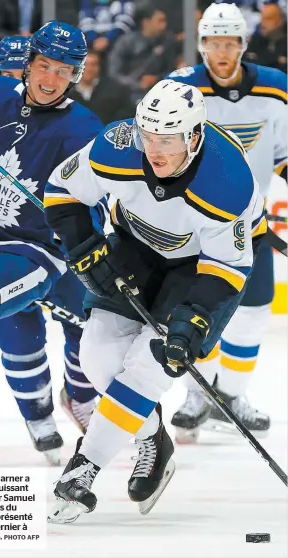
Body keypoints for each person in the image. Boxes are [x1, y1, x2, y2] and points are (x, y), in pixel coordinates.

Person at [44, 79, 266, 522]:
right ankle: (153, 438)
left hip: (200, 268)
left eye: (168, 140)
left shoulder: (228, 182)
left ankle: (83, 470)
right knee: (99, 357)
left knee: (150, 363)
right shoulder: (117, 146)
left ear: (195, 136)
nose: (154, 151)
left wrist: (194, 317)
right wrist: (83, 243)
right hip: (134, 246)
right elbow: (61, 189)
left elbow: (226, 268)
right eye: (148, 137)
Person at [0, 20, 104, 486]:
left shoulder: (82, 130)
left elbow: (98, 202)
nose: (50, 79)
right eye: (44, 66)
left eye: (64, 70)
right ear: (28, 66)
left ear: (76, 75)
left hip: (36, 253)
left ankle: (75, 404)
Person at [166, 2, 287, 442]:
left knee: (254, 313)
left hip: (250, 225)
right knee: (198, 310)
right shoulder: (178, 89)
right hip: (193, 225)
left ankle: (232, 396)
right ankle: (199, 395)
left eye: (230, 42)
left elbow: (284, 156)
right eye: (214, 42)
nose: (222, 51)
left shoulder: (275, 89)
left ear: (243, 44)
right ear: (201, 45)